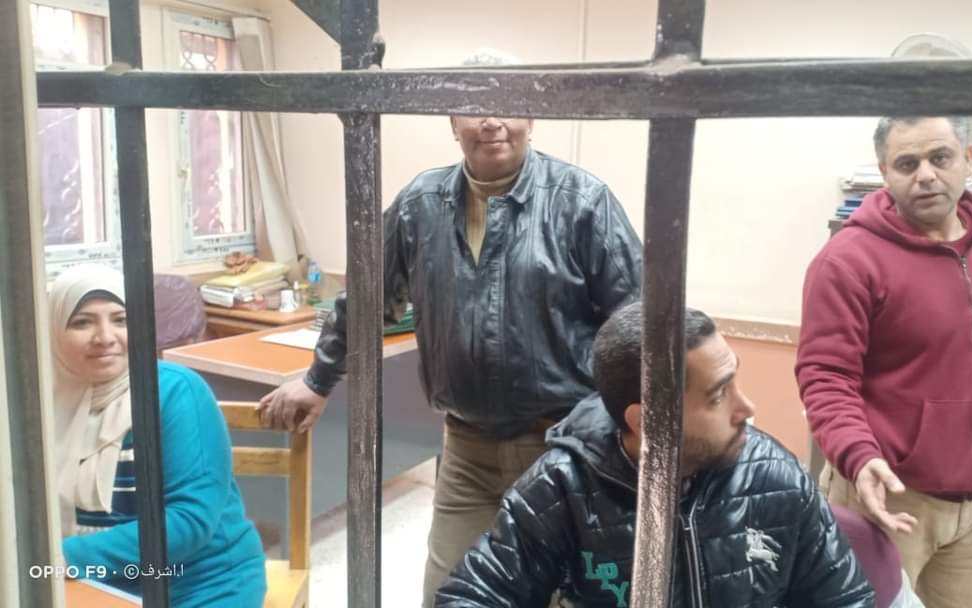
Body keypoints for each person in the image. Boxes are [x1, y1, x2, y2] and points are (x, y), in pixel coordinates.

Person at [256, 49, 642, 604]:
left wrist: (627, 426)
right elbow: (365, 299)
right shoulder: (421, 204)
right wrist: (318, 379)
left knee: (557, 595)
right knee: (449, 593)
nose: (491, 121)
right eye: (473, 105)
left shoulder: (582, 202)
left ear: (531, 116)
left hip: (562, 448)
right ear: (451, 121)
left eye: (507, 104)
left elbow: (635, 322)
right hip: (466, 451)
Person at [436, 303, 875, 607]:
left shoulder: (778, 477)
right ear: (648, 423)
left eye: (735, 382)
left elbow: (847, 599)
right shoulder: (562, 488)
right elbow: (470, 597)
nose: (747, 408)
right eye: (718, 395)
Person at [796, 116, 972, 607]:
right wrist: (858, 455)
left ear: (968, 158)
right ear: (884, 172)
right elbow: (826, 377)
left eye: (940, 158)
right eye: (906, 164)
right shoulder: (847, 261)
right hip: (884, 497)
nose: (925, 175)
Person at [50, 265, 266, 607]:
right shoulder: (42, 404)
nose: (105, 337)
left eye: (120, 320)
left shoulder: (174, 392)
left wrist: (62, 557)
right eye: (82, 323)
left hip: (200, 582)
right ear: (53, 331)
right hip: (92, 581)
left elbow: (190, 520)